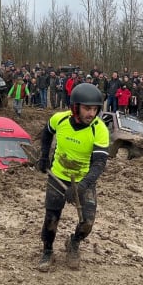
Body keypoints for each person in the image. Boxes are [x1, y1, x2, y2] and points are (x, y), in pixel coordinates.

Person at [37, 83, 109, 272]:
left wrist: (83, 185)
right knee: (51, 218)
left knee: (87, 222)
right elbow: (46, 133)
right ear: (75, 107)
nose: (91, 113)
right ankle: (47, 250)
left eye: (95, 109)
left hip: (84, 180)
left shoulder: (99, 129)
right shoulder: (59, 120)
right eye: (87, 108)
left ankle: (74, 242)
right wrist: (44, 156)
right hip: (58, 176)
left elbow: (99, 163)